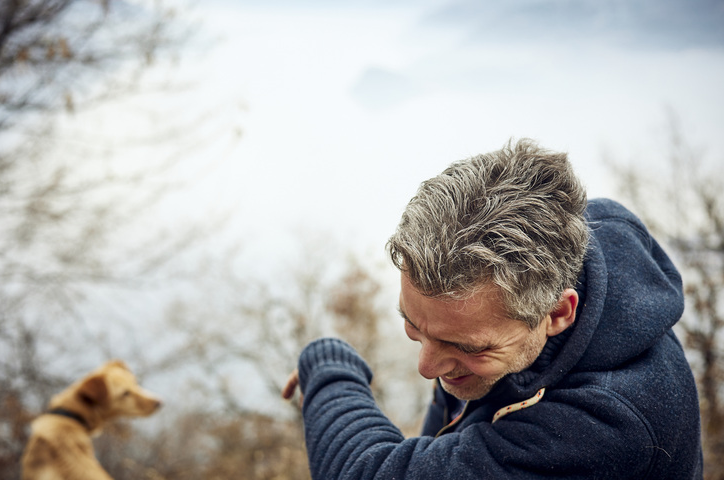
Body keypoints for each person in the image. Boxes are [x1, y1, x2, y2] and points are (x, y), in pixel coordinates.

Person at [281, 139, 704, 479]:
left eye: (467, 347)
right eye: (414, 328)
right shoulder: (549, 262)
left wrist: (330, 368)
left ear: (557, 314)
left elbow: (367, 473)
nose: (426, 368)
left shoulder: (606, 427)